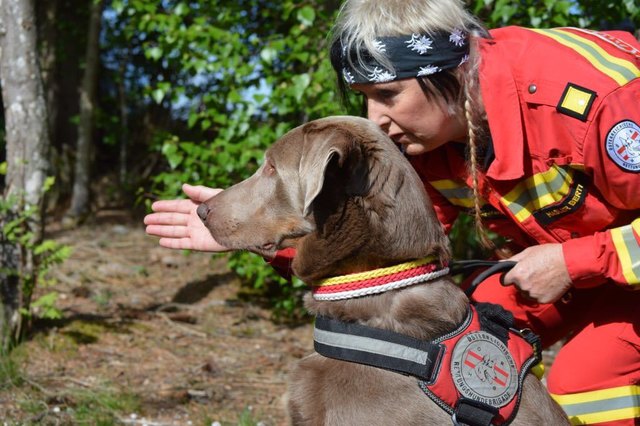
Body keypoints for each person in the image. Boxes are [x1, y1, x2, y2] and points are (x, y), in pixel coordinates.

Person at [145, 0, 640, 423]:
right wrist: (262, 231)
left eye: (387, 95)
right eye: (364, 99)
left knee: (589, 379)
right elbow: (392, 254)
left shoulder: (604, 101)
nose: (375, 120)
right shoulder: (435, 133)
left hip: (606, 267)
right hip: (569, 265)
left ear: (453, 70)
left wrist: (572, 263)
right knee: (465, 345)